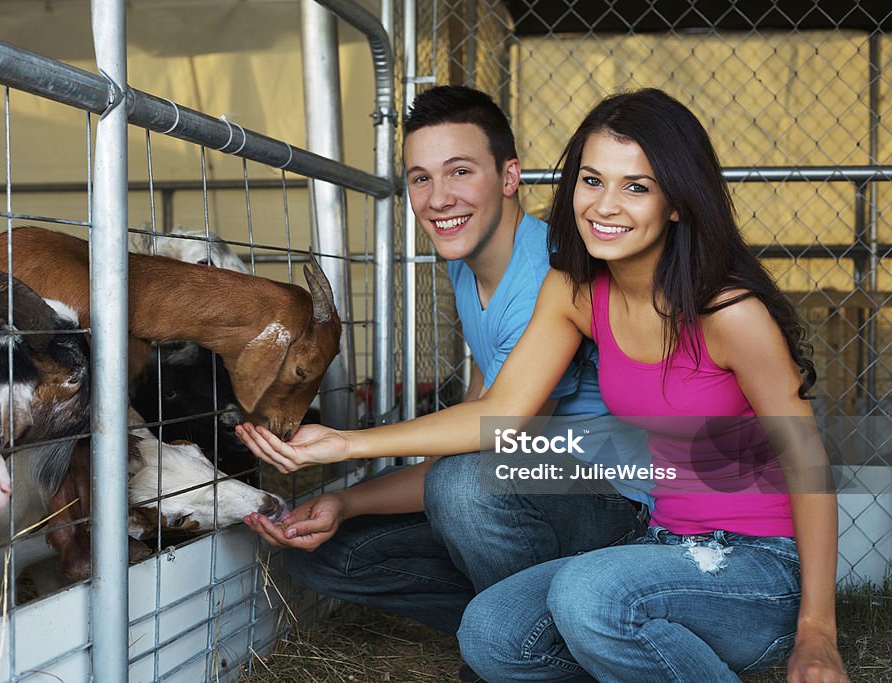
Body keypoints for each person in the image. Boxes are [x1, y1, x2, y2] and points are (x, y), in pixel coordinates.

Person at [238, 88, 847, 682]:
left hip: (753, 568)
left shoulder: (729, 312)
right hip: (662, 545)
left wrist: (817, 631)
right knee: (488, 634)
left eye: (636, 187)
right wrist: (344, 444)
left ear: (678, 203)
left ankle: (620, 625)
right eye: (591, 180)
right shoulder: (576, 292)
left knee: (587, 593)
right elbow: (502, 413)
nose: (604, 206)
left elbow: (806, 460)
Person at [241, 85, 652, 664]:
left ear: (510, 176)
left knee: (462, 487)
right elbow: (470, 441)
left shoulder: (544, 274)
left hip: (618, 512)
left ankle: (542, 652)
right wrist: (347, 504)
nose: (438, 198)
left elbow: (495, 436)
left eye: (460, 171)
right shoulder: (469, 264)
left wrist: (342, 445)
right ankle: (521, 637)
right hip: (523, 500)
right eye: (420, 178)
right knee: (326, 556)